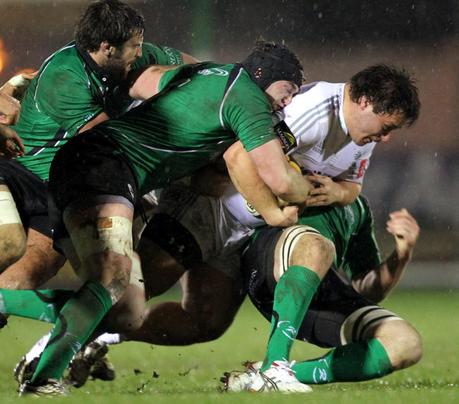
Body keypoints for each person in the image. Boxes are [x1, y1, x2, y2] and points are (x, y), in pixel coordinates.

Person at [0, 40, 309, 396]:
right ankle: (45, 370)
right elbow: (271, 175)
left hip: (104, 171)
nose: (288, 101)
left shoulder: (199, 78)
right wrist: (283, 203)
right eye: (288, 90)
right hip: (103, 163)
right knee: (109, 279)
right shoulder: (242, 95)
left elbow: (207, 179)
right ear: (261, 75)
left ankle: (45, 363)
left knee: (124, 309)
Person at [0, 0, 196, 291]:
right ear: (107, 47)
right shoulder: (65, 76)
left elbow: (195, 68)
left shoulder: (133, 57)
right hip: (21, 172)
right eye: (134, 45)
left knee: (23, 281)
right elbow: (108, 140)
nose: (141, 52)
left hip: (57, 188)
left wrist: (230, 87)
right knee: (10, 243)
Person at [222, 202, 422, 393]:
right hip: (270, 266)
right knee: (317, 247)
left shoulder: (357, 206)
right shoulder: (300, 169)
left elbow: (368, 289)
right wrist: (338, 191)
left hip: (320, 293)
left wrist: (401, 254)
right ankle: (275, 362)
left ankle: (269, 376)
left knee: (405, 343)